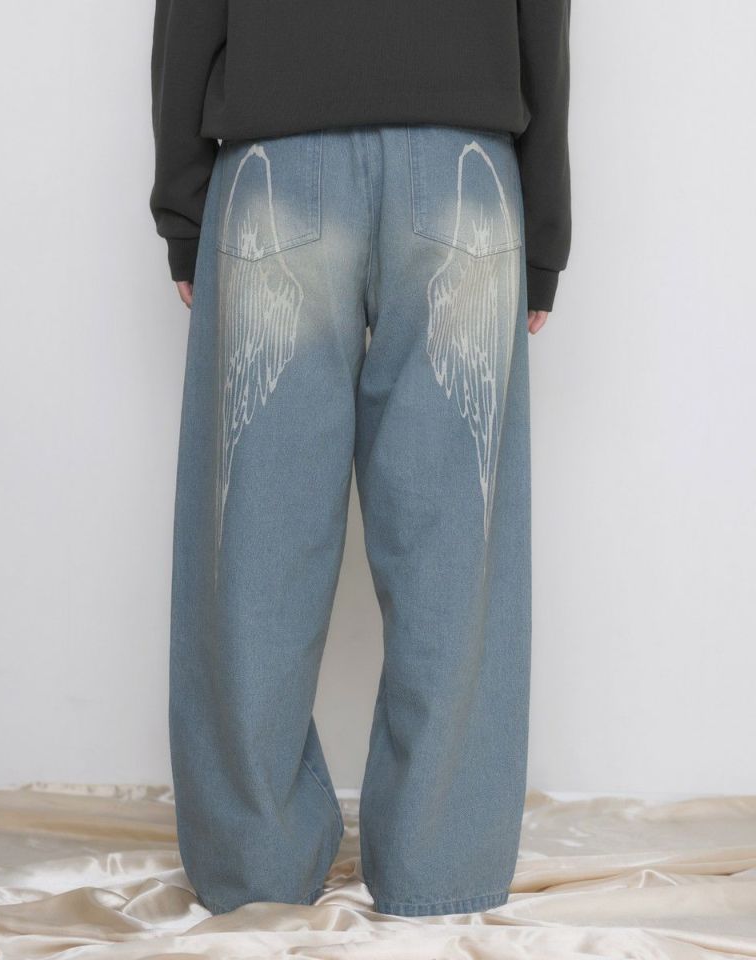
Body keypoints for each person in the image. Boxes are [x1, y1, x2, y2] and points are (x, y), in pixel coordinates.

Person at [150, 0, 571, 918]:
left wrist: (182, 200)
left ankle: (254, 871)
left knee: (253, 543)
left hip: (274, 166)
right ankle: (440, 868)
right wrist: (545, 223)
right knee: (457, 550)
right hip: (464, 172)